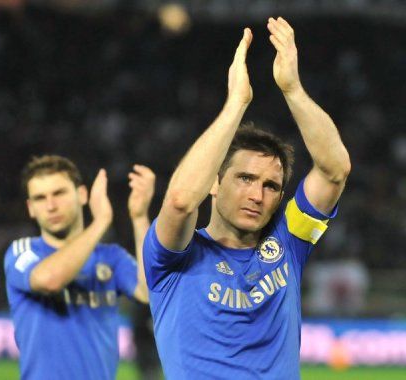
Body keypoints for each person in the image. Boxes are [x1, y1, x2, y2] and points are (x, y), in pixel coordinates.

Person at [143, 17, 351, 379]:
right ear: (214, 182)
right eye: (245, 178)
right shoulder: (174, 255)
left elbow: (335, 170)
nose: (257, 194)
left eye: (270, 186)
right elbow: (179, 202)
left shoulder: (289, 241)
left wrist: (293, 90)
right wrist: (235, 104)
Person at [4, 155, 156, 380]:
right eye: (40, 198)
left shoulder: (110, 257)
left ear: (82, 195)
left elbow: (149, 292)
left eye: (59, 193)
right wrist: (100, 222)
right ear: (31, 208)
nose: (51, 205)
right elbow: (50, 280)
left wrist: (139, 217)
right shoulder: (23, 252)